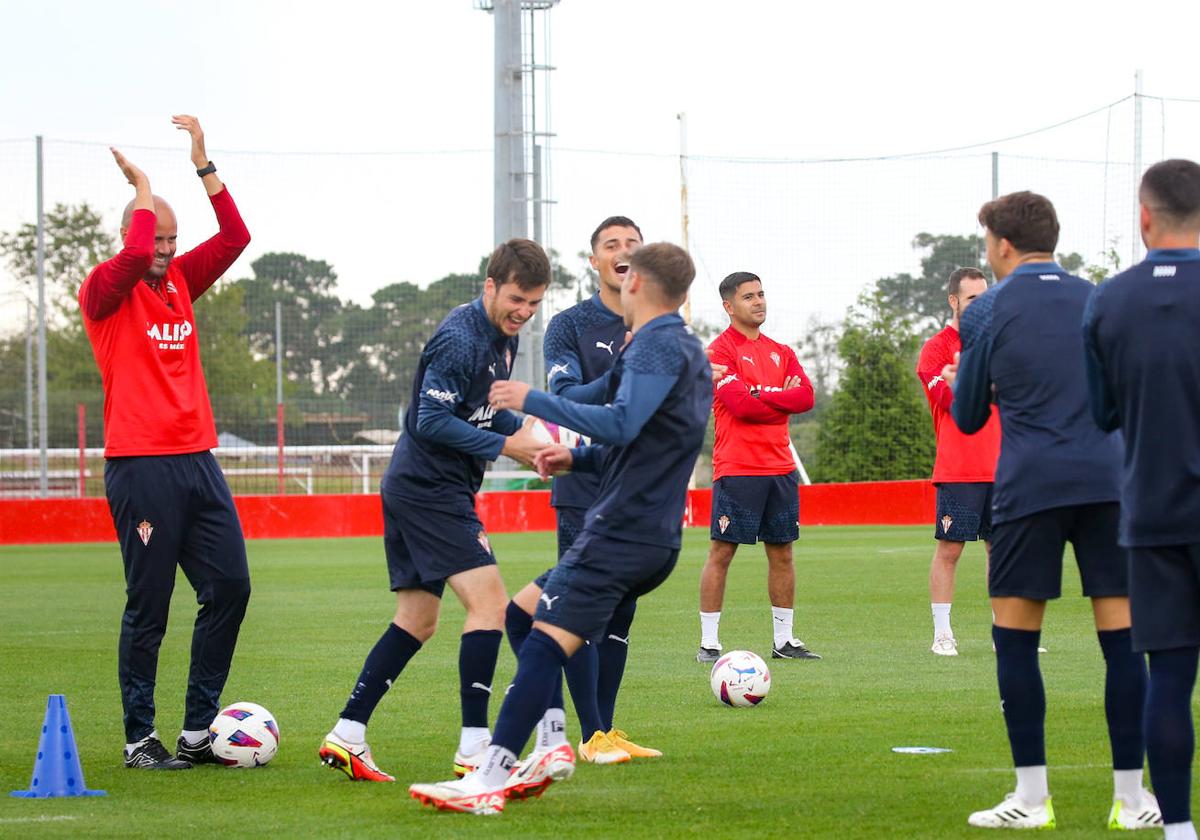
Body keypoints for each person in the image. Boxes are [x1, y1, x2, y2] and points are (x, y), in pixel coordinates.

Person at [409, 242, 711, 814]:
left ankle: (488, 780)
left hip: (623, 532)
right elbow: (641, 445)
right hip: (645, 533)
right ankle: (549, 748)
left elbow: (621, 425)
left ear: (637, 286)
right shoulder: (682, 350)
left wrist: (534, 400)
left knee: (545, 639)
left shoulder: (655, 344)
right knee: (524, 615)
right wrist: (576, 459)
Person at [948, 190, 1159, 830]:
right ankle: (1133, 799)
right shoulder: (1100, 296)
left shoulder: (985, 311)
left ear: (1003, 245)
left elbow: (967, 415)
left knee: (1015, 641)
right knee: (1123, 645)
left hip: (1030, 487)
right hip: (1109, 483)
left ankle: (1032, 800)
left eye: (988, 242)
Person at [318, 239, 552, 783]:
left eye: (534, 304)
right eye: (517, 298)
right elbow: (428, 421)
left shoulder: (501, 336)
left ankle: (348, 733)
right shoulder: (460, 337)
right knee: (491, 605)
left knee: (418, 621)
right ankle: (475, 748)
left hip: (419, 487)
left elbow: (483, 411)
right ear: (490, 285)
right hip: (430, 489)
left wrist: (536, 436)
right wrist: (509, 447)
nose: (524, 312)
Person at [79, 116, 252, 770]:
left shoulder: (179, 281)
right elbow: (129, 258)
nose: (165, 250)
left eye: (171, 241)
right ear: (131, 235)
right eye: (156, 238)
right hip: (140, 466)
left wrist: (202, 166)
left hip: (197, 462)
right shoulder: (104, 291)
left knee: (231, 588)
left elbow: (236, 237)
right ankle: (138, 738)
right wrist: (144, 186)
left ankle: (197, 732)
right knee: (149, 606)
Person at [505, 216, 659, 769]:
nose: (622, 252)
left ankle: (605, 731)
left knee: (621, 612)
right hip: (584, 486)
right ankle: (590, 733)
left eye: (632, 245)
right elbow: (566, 392)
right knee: (581, 608)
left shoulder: (662, 326)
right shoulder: (570, 325)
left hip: (639, 491)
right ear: (594, 261)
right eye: (611, 245)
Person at [1083, 158, 1200, 839]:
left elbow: (1102, 413)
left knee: (1169, 675)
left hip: (1152, 514)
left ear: (1145, 216)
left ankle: (1178, 828)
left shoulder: (1108, 300)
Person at [697, 271, 819, 663]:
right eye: (749, 296)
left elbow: (806, 398)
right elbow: (741, 407)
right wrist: (776, 396)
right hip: (738, 467)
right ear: (729, 307)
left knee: (782, 553)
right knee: (722, 552)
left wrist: (762, 392)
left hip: (780, 467)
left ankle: (784, 641)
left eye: (761, 294)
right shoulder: (719, 352)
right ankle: (709, 644)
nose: (759, 301)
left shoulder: (781, 351)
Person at [915, 267, 1000, 655]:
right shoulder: (935, 349)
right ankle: (942, 634)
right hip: (960, 468)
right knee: (950, 550)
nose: (981, 305)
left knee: (1004, 550)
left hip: (1005, 467)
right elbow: (952, 403)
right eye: (972, 299)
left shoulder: (1000, 343)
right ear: (953, 301)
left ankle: (1010, 631)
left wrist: (965, 379)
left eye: (986, 297)